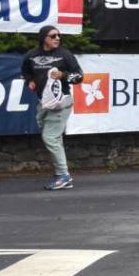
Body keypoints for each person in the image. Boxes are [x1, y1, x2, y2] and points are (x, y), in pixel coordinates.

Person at [21, 25, 83, 190]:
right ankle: (61, 173)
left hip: (61, 102)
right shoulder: (31, 55)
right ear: (43, 38)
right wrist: (30, 81)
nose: (57, 38)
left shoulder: (65, 55)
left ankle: (64, 176)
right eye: (53, 35)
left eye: (58, 35)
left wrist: (63, 75)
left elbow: (79, 77)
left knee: (50, 138)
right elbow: (25, 72)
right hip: (44, 103)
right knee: (53, 138)